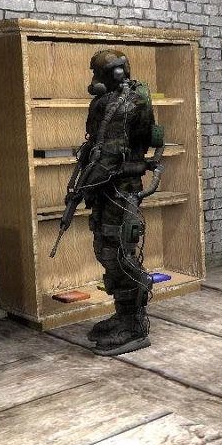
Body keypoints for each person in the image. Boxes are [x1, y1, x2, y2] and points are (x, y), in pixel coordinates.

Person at [72, 48, 158, 356]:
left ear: (115, 73)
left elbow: (108, 158)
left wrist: (83, 190)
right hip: (112, 190)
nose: (94, 80)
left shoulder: (122, 105)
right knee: (108, 249)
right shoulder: (115, 100)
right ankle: (123, 315)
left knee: (118, 254)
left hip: (119, 191)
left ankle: (134, 325)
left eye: (97, 74)